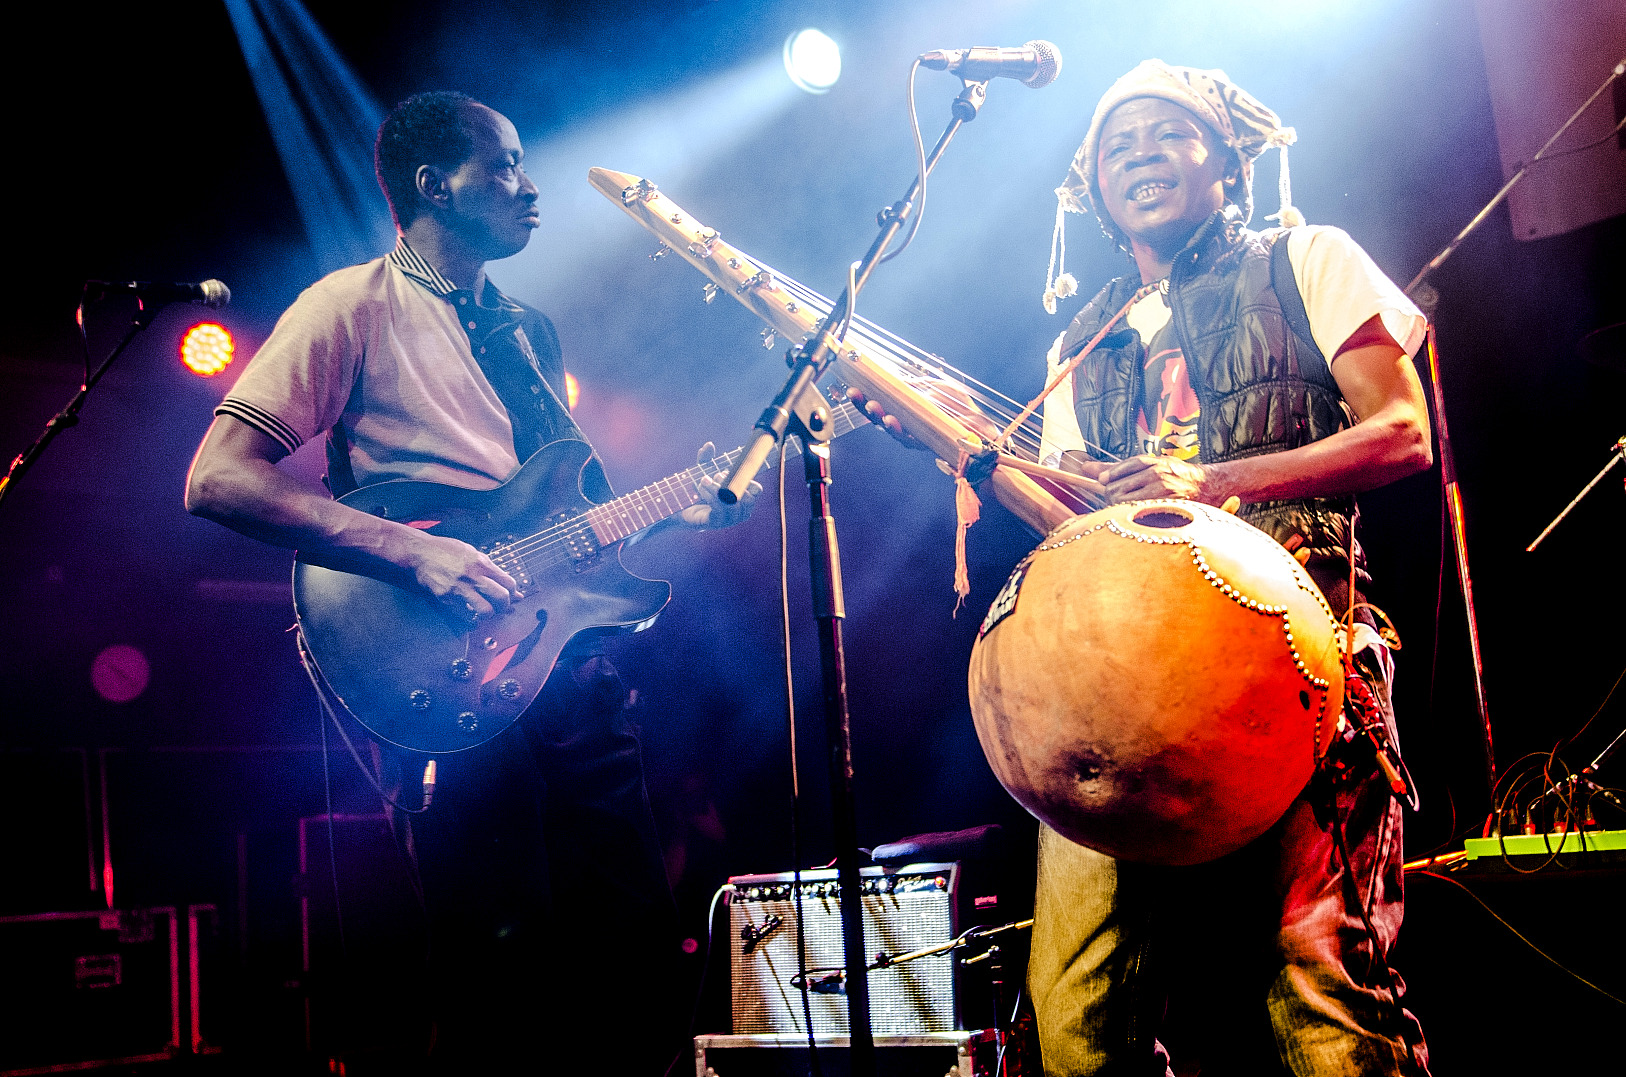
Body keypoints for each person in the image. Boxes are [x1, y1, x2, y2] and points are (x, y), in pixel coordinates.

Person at [185, 90, 753, 1074]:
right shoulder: (350, 305)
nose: (532, 187)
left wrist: (679, 505)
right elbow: (216, 479)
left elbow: (560, 512)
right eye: (505, 166)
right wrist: (412, 550)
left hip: (569, 669)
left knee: (631, 964)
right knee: (499, 979)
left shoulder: (528, 330)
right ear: (432, 184)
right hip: (442, 663)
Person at [1023, 61, 1433, 1076]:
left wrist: (1217, 481)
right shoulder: (1083, 340)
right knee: (1076, 1015)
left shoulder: (1308, 259)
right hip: (1121, 683)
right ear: (1096, 193)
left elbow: (1401, 431)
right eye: (1117, 147)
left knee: (1321, 979)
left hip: (1297, 652)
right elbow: (1073, 515)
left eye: (1168, 135)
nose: (1140, 156)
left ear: (1229, 162)